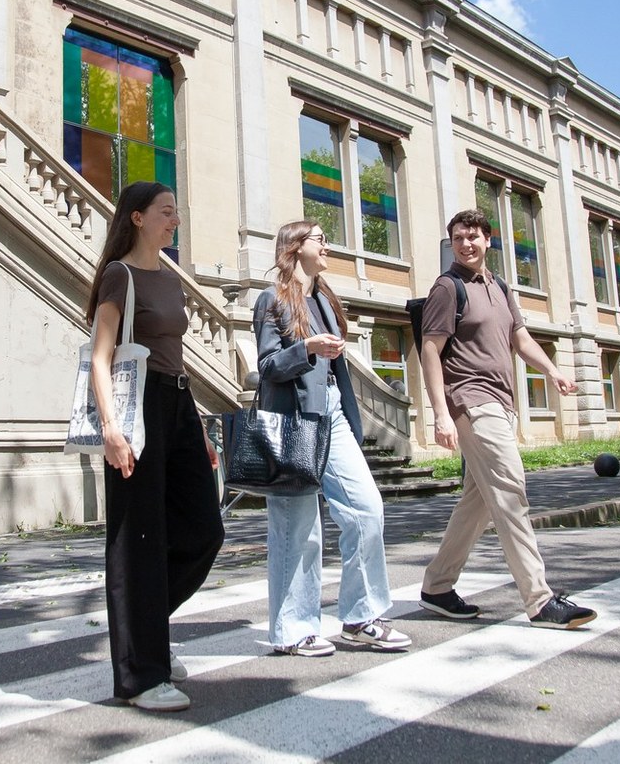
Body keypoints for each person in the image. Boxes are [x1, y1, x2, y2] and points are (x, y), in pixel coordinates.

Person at [417, 208, 597, 630]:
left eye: (473, 236)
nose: (466, 244)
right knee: (512, 492)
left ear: (488, 240)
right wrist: (441, 414)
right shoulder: (448, 287)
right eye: (459, 238)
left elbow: (520, 338)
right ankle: (540, 600)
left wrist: (552, 372)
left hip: (501, 402)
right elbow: (429, 351)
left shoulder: (498, 286)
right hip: (471, 401)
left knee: (478, 502)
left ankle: (437, 587)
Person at [87, 181, 225, 712]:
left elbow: (174, 356)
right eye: (167, 212)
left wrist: (196, 430)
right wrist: (111, 427)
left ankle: (146, 633)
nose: (175, 220)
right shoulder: (118, 276)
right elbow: (101, 356)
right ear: (138, 218)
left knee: (203, 529)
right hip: (135, 408)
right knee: (138, 539)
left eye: (177, 213)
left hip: (178, 404)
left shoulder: (170, 279)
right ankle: (142, 676)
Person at [253, 220, 411, 657]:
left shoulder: (324, 299)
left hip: (334, 419)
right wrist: (306, 350)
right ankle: (293, 629)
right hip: (293, 425)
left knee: (366, 508)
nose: (327, 247)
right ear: (294, 247)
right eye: (320, 239)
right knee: (297, 529)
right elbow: (266, 367)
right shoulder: (272, 300)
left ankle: (361, 617)